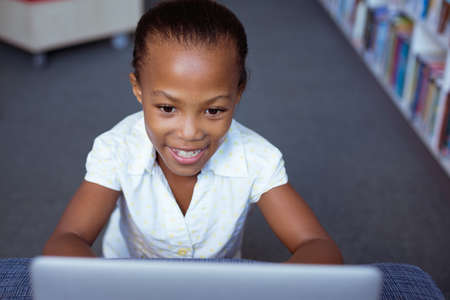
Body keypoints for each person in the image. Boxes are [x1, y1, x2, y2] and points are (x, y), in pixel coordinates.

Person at [42, 0, 343, 264]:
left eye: (213, 111)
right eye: (167, 108)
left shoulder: (258, 158)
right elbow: (67, 238)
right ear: (138, 90)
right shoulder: (115, 149)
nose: (189, 133)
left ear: (238, 94)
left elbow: (319, 248)